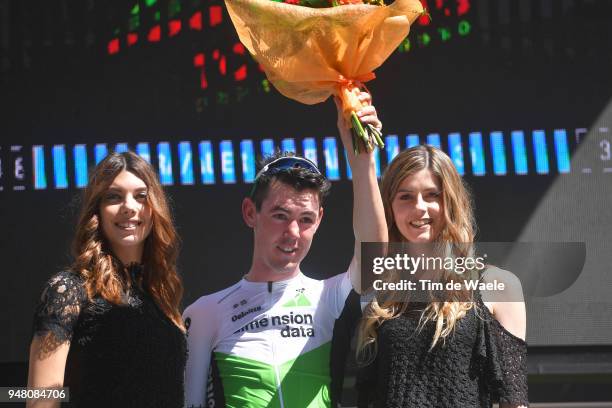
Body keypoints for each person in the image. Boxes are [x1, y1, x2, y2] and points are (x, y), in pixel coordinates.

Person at [183, 92, 387, 408]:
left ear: (319, 220)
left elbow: (374, 255)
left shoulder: (329, 298)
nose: (292, 233)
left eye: (305, 219)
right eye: (280, 216)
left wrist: (362, 159)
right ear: (251, 212)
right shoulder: (204, 313)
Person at [356, 145, 528, 408]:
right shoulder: (379, 289)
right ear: (389, 206)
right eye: (406, 196)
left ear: (452, 202)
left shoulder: (498, 286)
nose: (419, 208)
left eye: (432, 195)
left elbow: (513, 402)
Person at [27, 152, 186, 408]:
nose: (129, 207)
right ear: (97, 210)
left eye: (141, 196)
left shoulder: (160, 294)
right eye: (113, 196)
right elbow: (40, 399)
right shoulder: (67, 290)